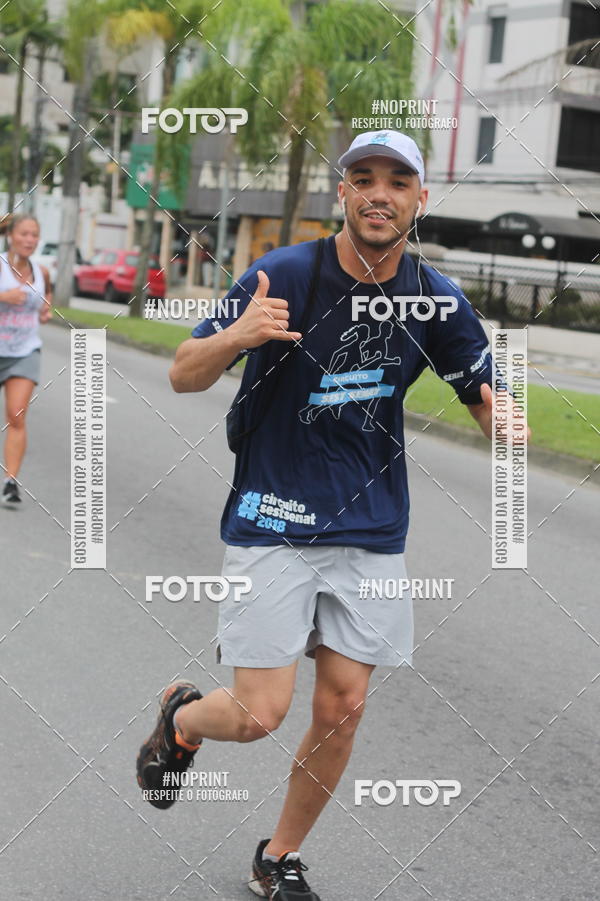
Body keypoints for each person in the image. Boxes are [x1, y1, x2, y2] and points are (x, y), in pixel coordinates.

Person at [137, 131, 528, 899]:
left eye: (397, 180)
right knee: (259, 713)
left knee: (344, 705)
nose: (379, 192)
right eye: (363, 177)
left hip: (372, 525)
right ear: (342, 193)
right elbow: (184, 371)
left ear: (419, 199)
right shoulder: (282, 272)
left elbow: (488, 395)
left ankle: (276, 856)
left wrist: (504, 419)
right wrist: (239, 336)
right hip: (274, 513)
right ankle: (183, 718)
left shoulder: (438, 299)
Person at [0, 214, 52, 505]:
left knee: (16, 414)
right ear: (11, 236)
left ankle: (10, 481)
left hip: (24, 350)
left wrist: (45, 312)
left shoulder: (41, 272)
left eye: (34, 235)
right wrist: (3, 298)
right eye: (24, 234)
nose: (29, 240)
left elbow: (46, 304)